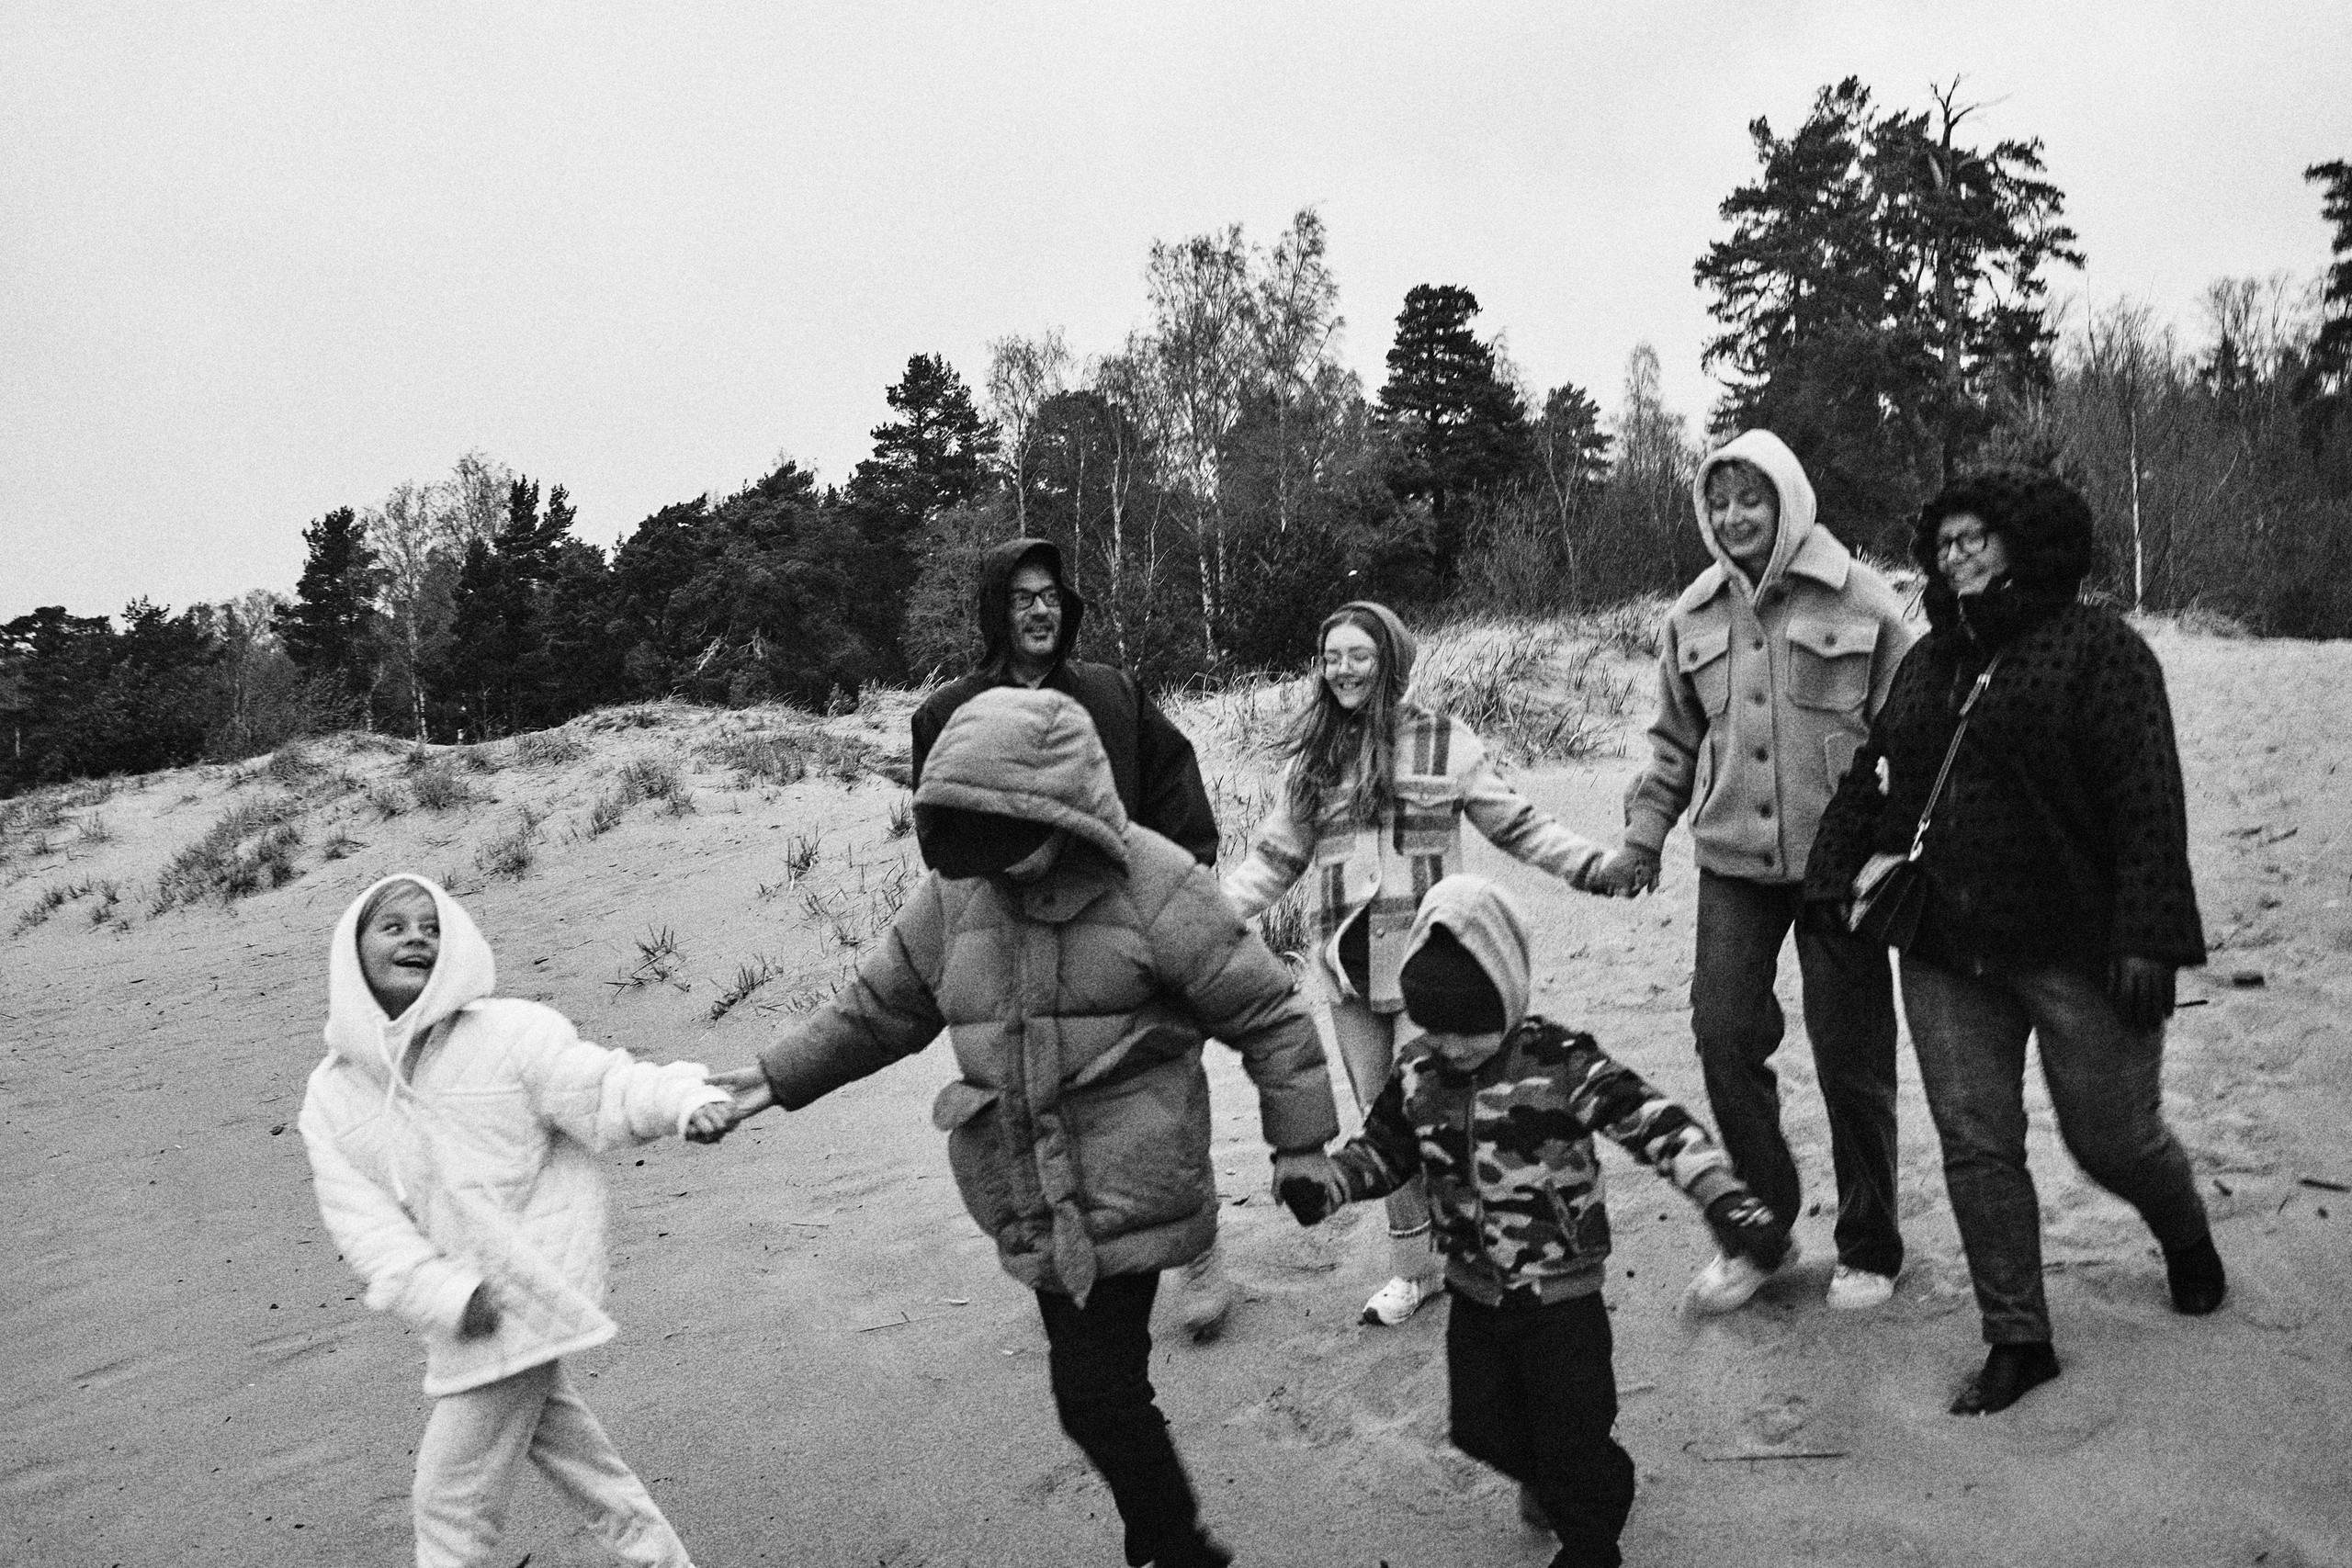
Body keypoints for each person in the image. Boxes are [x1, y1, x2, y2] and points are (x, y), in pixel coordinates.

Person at [711, 687, 1340, 1568]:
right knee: (1102, 1388)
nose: (993, 858)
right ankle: (1166, 1541)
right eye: (971, 829)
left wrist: (1300, 1146)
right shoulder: (957, 894)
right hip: (1025, 1186)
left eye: (1006, 832)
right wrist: (772, 1078)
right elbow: (877, 1009)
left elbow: (1270, 1011)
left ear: (1062, 809)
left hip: (1130, 1179)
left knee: (1095, 1393)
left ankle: (1178, 1549)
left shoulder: (1155, 882)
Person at [1805, 468, 2227, 1416]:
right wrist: (1833, 877)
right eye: (1943, 542)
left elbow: (2148, 803)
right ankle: (2017, 1337)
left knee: (2111, 1140)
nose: (1953, 556)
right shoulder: (1926, 663)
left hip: (2077, 944)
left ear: (2026, 544)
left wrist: (2150, 939)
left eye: (1974, 539)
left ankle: (2184, 1231)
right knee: (1974, 1140)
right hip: (1948, 946)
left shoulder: (2102, 653)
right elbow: (1876, 783)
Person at [1275, 874, 1787, 1568]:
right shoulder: (1417, 1070)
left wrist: (1728, 1198)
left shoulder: (1562, 1062)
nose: (1452, 1044)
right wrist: (1331, 1185)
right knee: (1479, 1427)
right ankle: (1574, 1476)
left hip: (1562, 1296)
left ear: (1509, 994)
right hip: (1474, 1291)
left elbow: (1656, 1124)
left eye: (1469, 1025)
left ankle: (1591, 1535)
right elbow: (1382, 1151)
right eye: (1435, 1024)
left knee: (1573, 1440)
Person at [298, 875, 734, 1568]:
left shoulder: (510, 1034)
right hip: (469, 1309)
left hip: (527, 1290)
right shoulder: (333, 1095)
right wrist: (441, 1293)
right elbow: (364, 1226)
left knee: (448, 1501)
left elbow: (603, 1086)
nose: (416, 936)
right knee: (586, 1467)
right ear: (351, 953)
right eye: (393, 925)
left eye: (432, 926)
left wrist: (684, 1101)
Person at [1223, 600, 1623, 1327]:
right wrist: (1205, 917)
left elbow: (1519, 823)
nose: (1343, 669)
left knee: (1437, 1111)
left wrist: (1594, 866)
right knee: (1383, 1118)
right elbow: (1275, 859)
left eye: (1359, 655)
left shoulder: (1443, 739)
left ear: (1391, 661)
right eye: (1332, 655)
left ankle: (1486, 1249)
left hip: (1426, 965)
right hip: (1347, 972)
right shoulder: (1313, 757)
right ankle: (1415, 1268)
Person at [1590, 430, 1916, 1316]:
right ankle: (1762, 1231)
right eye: (1721, 501)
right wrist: (1643, 836)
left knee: (1852, 1056)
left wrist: (1897, 845)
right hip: (1733, 861)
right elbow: (1671, 744)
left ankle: (1871, 1243)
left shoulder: (1863, 598)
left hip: (1840, 866)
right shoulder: (1691, 615)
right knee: (1725, 1034)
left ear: (1788, 502)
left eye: (1753, 500)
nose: (1735, 517)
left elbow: (1911, 737)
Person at [910, 537, 1238, 1338]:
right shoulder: (946, 713)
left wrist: (1176, 897)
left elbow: (1178, 792)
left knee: (1159, 1092)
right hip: (1022, 951)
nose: (1040, 608)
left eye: (1052, 593)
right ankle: (1073, 1261)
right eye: (1022, 596)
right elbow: (945, 843)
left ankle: (1198, 1247)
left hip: (1125, 938)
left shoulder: (1113, 695)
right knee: (1040, 1107)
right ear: (996, 610)